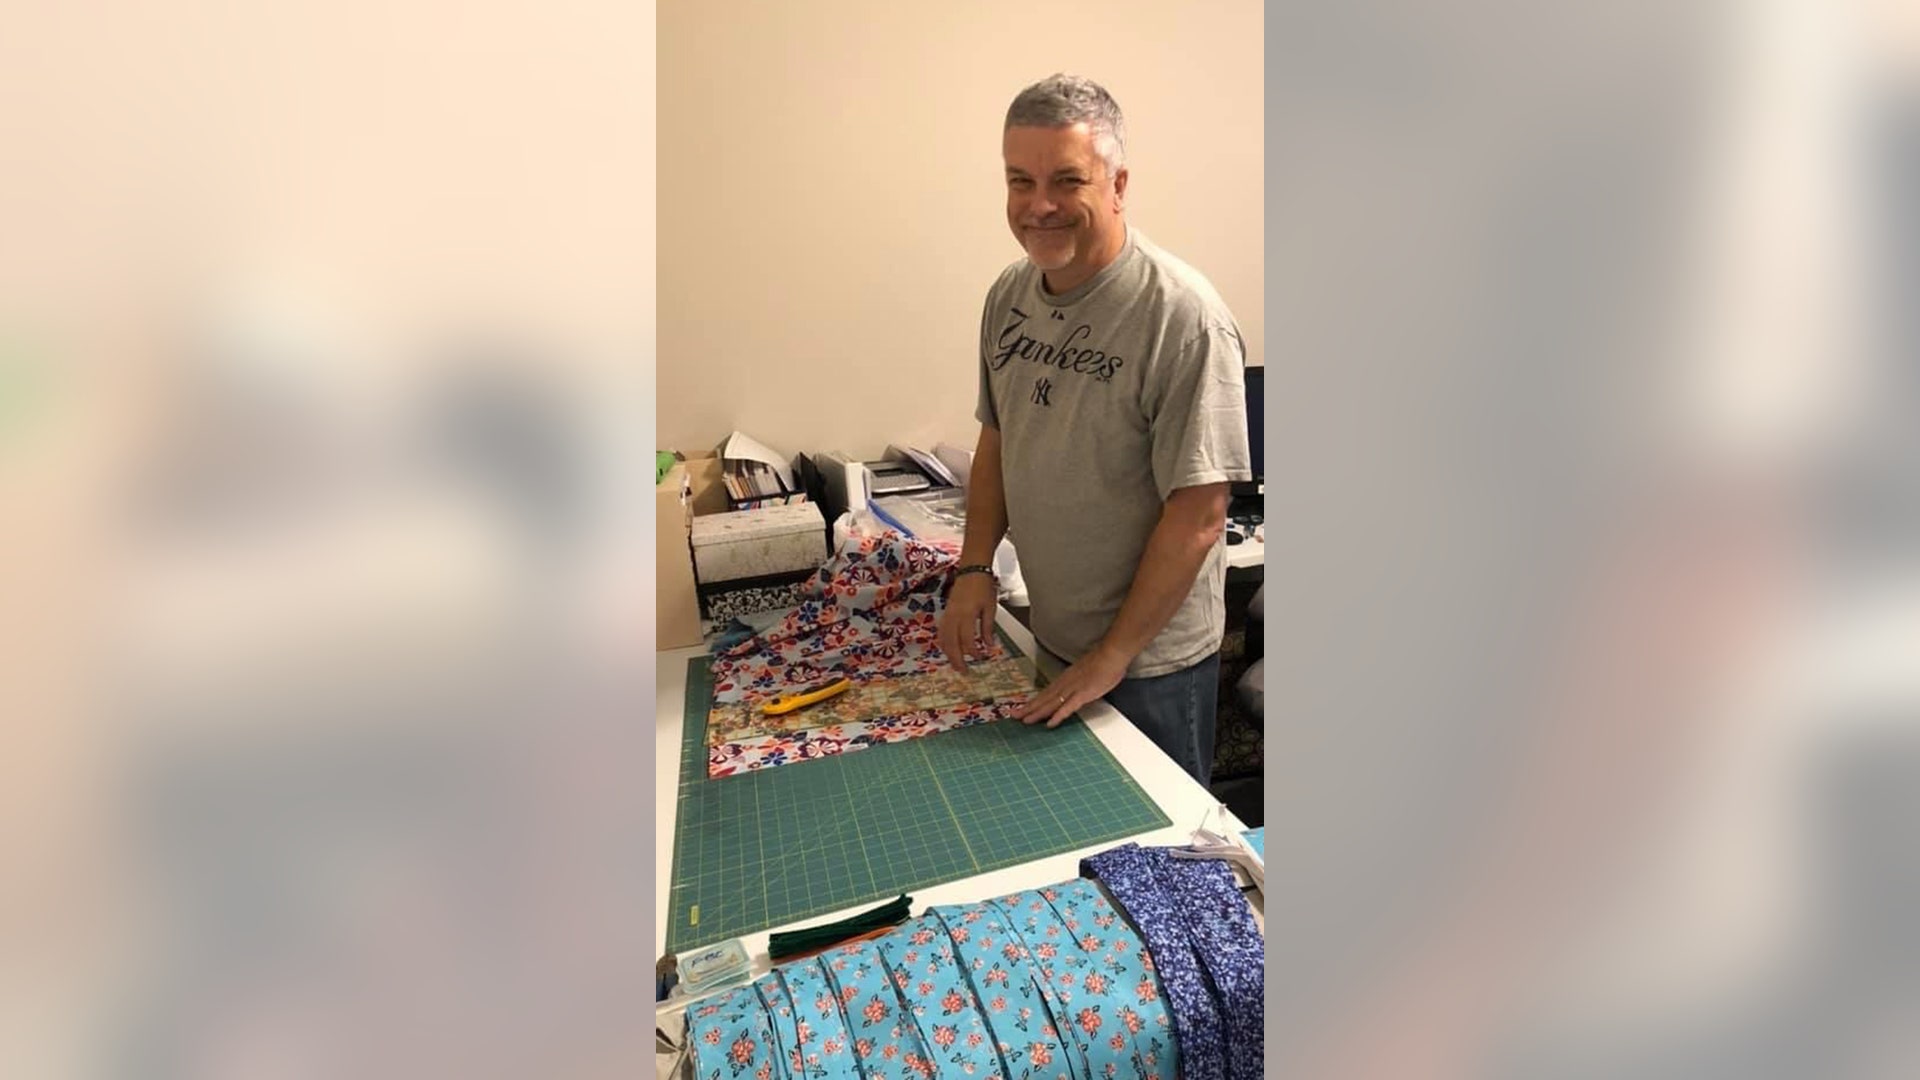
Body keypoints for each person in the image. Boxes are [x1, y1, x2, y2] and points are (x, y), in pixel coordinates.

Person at [935, 73, 1252, 786]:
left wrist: (1112, 657)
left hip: (1150, 666)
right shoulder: (1009, 296)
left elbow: (1199, 516)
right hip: (1052, 636)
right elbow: (999, 439)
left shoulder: (1182, 317)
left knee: (1161, 868)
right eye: (1020, 181)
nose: (1038, 205)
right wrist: (974, 568)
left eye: (1066, 180)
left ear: (1117, 184)